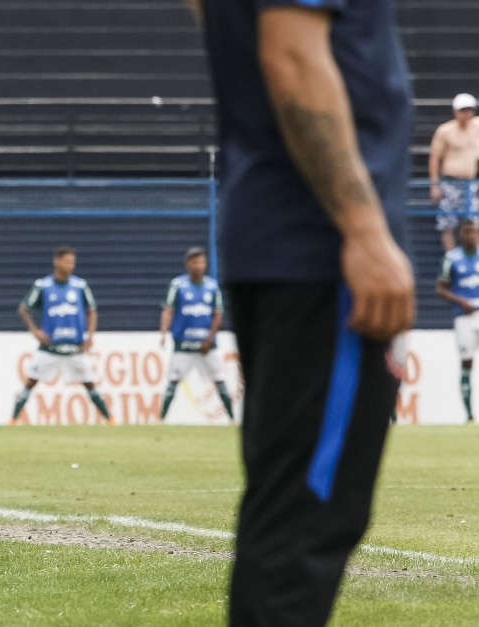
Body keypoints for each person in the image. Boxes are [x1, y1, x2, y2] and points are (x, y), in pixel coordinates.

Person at [191, 0, 416, 624]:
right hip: (319, 249)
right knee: (306, 520)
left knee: (289, 510)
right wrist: (365, 230)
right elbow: (290, 55)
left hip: (282, 236)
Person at [11, 246, 113, 424]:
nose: (70, 266)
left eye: (72, 262)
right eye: (67, 262)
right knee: (30, 382)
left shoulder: (80, 286)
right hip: (50, 347)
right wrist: (35, 331)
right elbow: (24, 308)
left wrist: (90, 337)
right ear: (56, 262)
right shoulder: (42, 286)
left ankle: (111, 420)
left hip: (75, 347)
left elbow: (93, 310)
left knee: (90, 384)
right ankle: (12, 421)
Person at [159, 246, 233, 422]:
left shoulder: (212, 286)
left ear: (205, 264)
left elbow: (218, 314)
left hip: (208, 345)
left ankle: (232, 420)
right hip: (183, 344)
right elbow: (168, 309)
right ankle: (161, 420)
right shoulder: (178, 285)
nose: (198, 266)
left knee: (220, 381)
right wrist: (163, 333)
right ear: (188, 264)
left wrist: (209, 338)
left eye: (201, 262)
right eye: (194, 262)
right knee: (172, 382)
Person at [436, 219, 479, 423]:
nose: (471, 235)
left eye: (474, 232)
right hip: (464, 318)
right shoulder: (451, 258)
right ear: (461, 234)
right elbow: (440, 288)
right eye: (467, 232)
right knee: (466, 363)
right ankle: (469, 415)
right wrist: (460, 300)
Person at [429, 93, 479, 252]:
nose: (467, 114)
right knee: (447, 225)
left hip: (471, 184)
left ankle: (474, 264)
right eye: (463, 110)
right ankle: (451, 262)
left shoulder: (477, 127)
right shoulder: (445, 131)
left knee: (474, 223)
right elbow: (435, 158)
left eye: (470, 110)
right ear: (455, 111)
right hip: (450, 183)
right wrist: (435, 185)